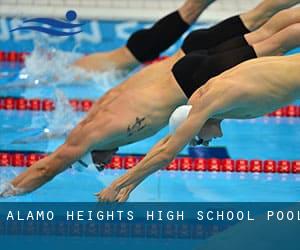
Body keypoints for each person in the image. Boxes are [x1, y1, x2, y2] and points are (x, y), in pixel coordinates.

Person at [1, 0, 300, 198]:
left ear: (89, 150)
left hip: (192, 78)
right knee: (270, 28)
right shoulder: (100, 108)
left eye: (95, 162)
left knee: (276, 38)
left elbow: (46, 167)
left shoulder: (95, 133)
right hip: (187, 55)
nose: (104, 165)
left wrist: (8, 190)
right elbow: (67, 139)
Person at [97, 54, 300, 202]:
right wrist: (131, 185)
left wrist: (116, 185)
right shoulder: (200, 102)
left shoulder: (211, 101)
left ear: (197, 125)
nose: (207, 142)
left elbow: (167, 154)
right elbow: (169, 141)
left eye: (200, 140)